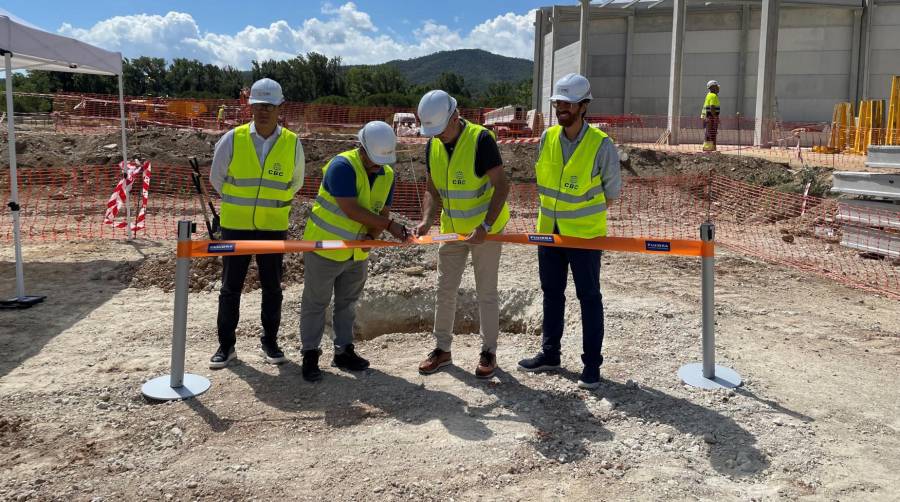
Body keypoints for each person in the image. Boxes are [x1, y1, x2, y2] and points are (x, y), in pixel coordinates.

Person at [517, 73, 622, 389]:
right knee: (551, 294)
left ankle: (591, 366)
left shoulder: (601, 145)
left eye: (568, 103)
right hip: (548, 232)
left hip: (584, 236)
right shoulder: (547, 139)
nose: (561, 108)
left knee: (589, 298)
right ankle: (550, 355)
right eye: (558, 102)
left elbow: (612, 193)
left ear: (584, 105)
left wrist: (580, 216)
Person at [299, 121, 409, 382]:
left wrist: (372, 235)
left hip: (357, 253)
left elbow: (381, 210)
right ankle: (310, 354)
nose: (377, 166)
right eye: (373, 160)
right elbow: (351, 209)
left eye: (381, 161)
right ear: (361, 148)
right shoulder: (342, 166)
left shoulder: (387, 174)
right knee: (316, 304)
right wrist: (390, 226)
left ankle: (344, 351)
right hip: (324, 249)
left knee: (347, 305)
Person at [208, 78, 305, 369]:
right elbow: (217, 178)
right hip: (236, 226)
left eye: (269, 106)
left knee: (272, 288)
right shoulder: (233, 138)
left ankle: (270, 344)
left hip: (272, 227)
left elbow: (296, 182)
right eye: (258, 105)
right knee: (230, 288)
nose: (263, 111)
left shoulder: (292, 143)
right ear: (250, 107)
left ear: (279, 108)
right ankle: (226, 347)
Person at [415, 90, 511, 379]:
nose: (437, 136)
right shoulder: (433, 144)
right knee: (444, 289)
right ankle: (442, 349)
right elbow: (432, 187)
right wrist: (426, 220)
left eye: (440, 129)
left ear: (455, 117)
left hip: (485, 230)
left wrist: (485, 226)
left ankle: (488, 352)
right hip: (452, 231)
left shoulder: (481, 140)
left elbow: (502, 186)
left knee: (486, 292)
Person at [702, 80, 721, 152]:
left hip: (708, 117)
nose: (718, 88)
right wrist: (716, 117)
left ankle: (711, 147)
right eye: (716, 87)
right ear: (712, 87)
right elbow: (712, 107)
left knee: (710, 132)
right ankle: (708, 148)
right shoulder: (713, 95)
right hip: (710, 117)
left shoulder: (709, 95)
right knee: (711, 132)